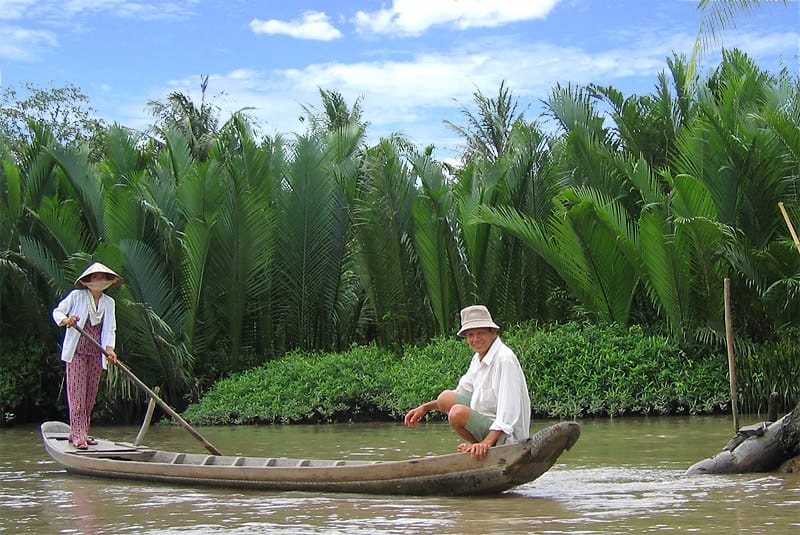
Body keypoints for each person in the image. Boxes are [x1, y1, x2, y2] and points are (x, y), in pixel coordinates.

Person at [404, 305, 531, 460]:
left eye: (480, 333)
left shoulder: (504, 359)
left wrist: (486, 442)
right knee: (445, 398)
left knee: (457, 413)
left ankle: (484, 447)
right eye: (470, 335)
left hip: (509, 437)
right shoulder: (478, 358)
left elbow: (508, 413)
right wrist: (425, 408)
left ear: (492, 332)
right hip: (488, 421)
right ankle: (477, 445)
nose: (475, 340)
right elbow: (461, 392)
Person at [52, 262, 123, 450]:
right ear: (88, 281)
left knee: (90, 396)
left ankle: (82, 432)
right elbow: (58, 311)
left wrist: (110, 349)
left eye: (101, 277)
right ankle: (77, 435)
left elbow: (111, 329)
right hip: (77, 352)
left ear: (107, 281)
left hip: (95, 353)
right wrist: (66, 320)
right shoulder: (77, 297)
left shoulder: (109, 303)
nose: (98, 280)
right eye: (94, 277)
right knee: (76, 393)